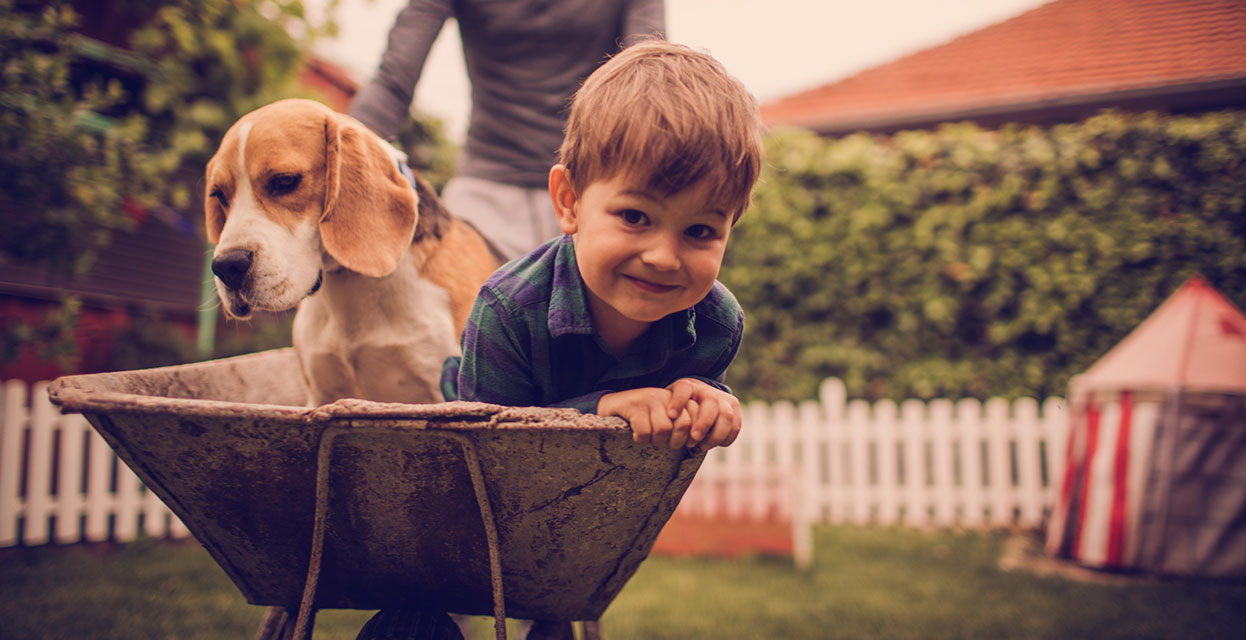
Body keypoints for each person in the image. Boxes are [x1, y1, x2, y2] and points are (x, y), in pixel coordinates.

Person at [443, 39, 763, 453]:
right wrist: (600, 411)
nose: (663, 258)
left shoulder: (716, 325)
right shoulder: (507, 311)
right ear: (569, 201)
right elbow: (489, 453)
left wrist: (705, 397)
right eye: (634, 217)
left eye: (699, 231)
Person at [349, 0, 666, 262]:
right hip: (484, 203)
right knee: (468, 327)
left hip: (590, 192)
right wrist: (346, 163)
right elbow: (394, 81)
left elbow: (648, 76)